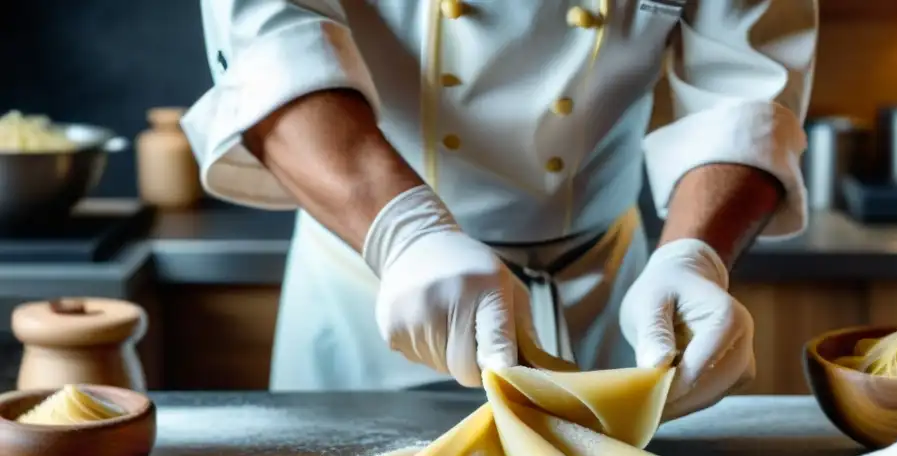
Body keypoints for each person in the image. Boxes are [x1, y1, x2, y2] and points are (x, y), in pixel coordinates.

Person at [182, 0, 818, 420]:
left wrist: (693, 255)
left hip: (607, 294)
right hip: (369, 273)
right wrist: (407, 235)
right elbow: (271, 49)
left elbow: (746, 86)